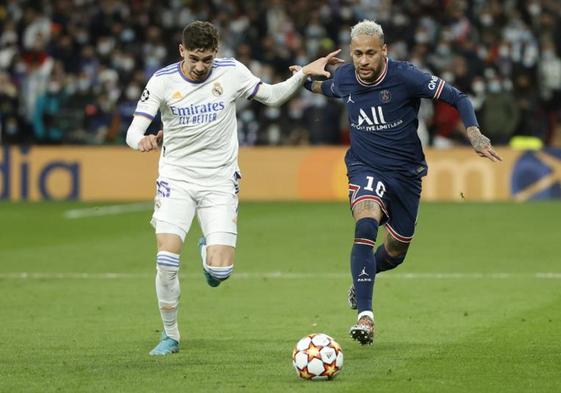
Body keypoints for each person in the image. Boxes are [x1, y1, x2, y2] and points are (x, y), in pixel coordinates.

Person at [125, 21, 343, 356]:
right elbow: (133, 130)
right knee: (166, 259)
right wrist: (140, 140)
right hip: (177, 178)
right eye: (195, 58)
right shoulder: (162, 80)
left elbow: (272, 97)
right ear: (182, 51)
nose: (200, 66)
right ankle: (171, 336)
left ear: (216, 53)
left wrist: (302, 75)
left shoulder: (231, 73)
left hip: (220, 181)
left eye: (207, 59)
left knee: (220, 271)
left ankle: (208, 253)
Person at [302, 20, 502, 345]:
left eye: (370, 53)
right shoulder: (345, 76)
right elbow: (323, 87)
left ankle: (365, 276)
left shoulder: (407, 76)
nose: (363, 61)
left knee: (395, 253)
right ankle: (365, 316)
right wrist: (303, 76)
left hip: (406, 176)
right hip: (365, 168)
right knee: (365, 223)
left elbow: (458, 97)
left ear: (384, 51)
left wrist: (474, 133)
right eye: (357, 54)